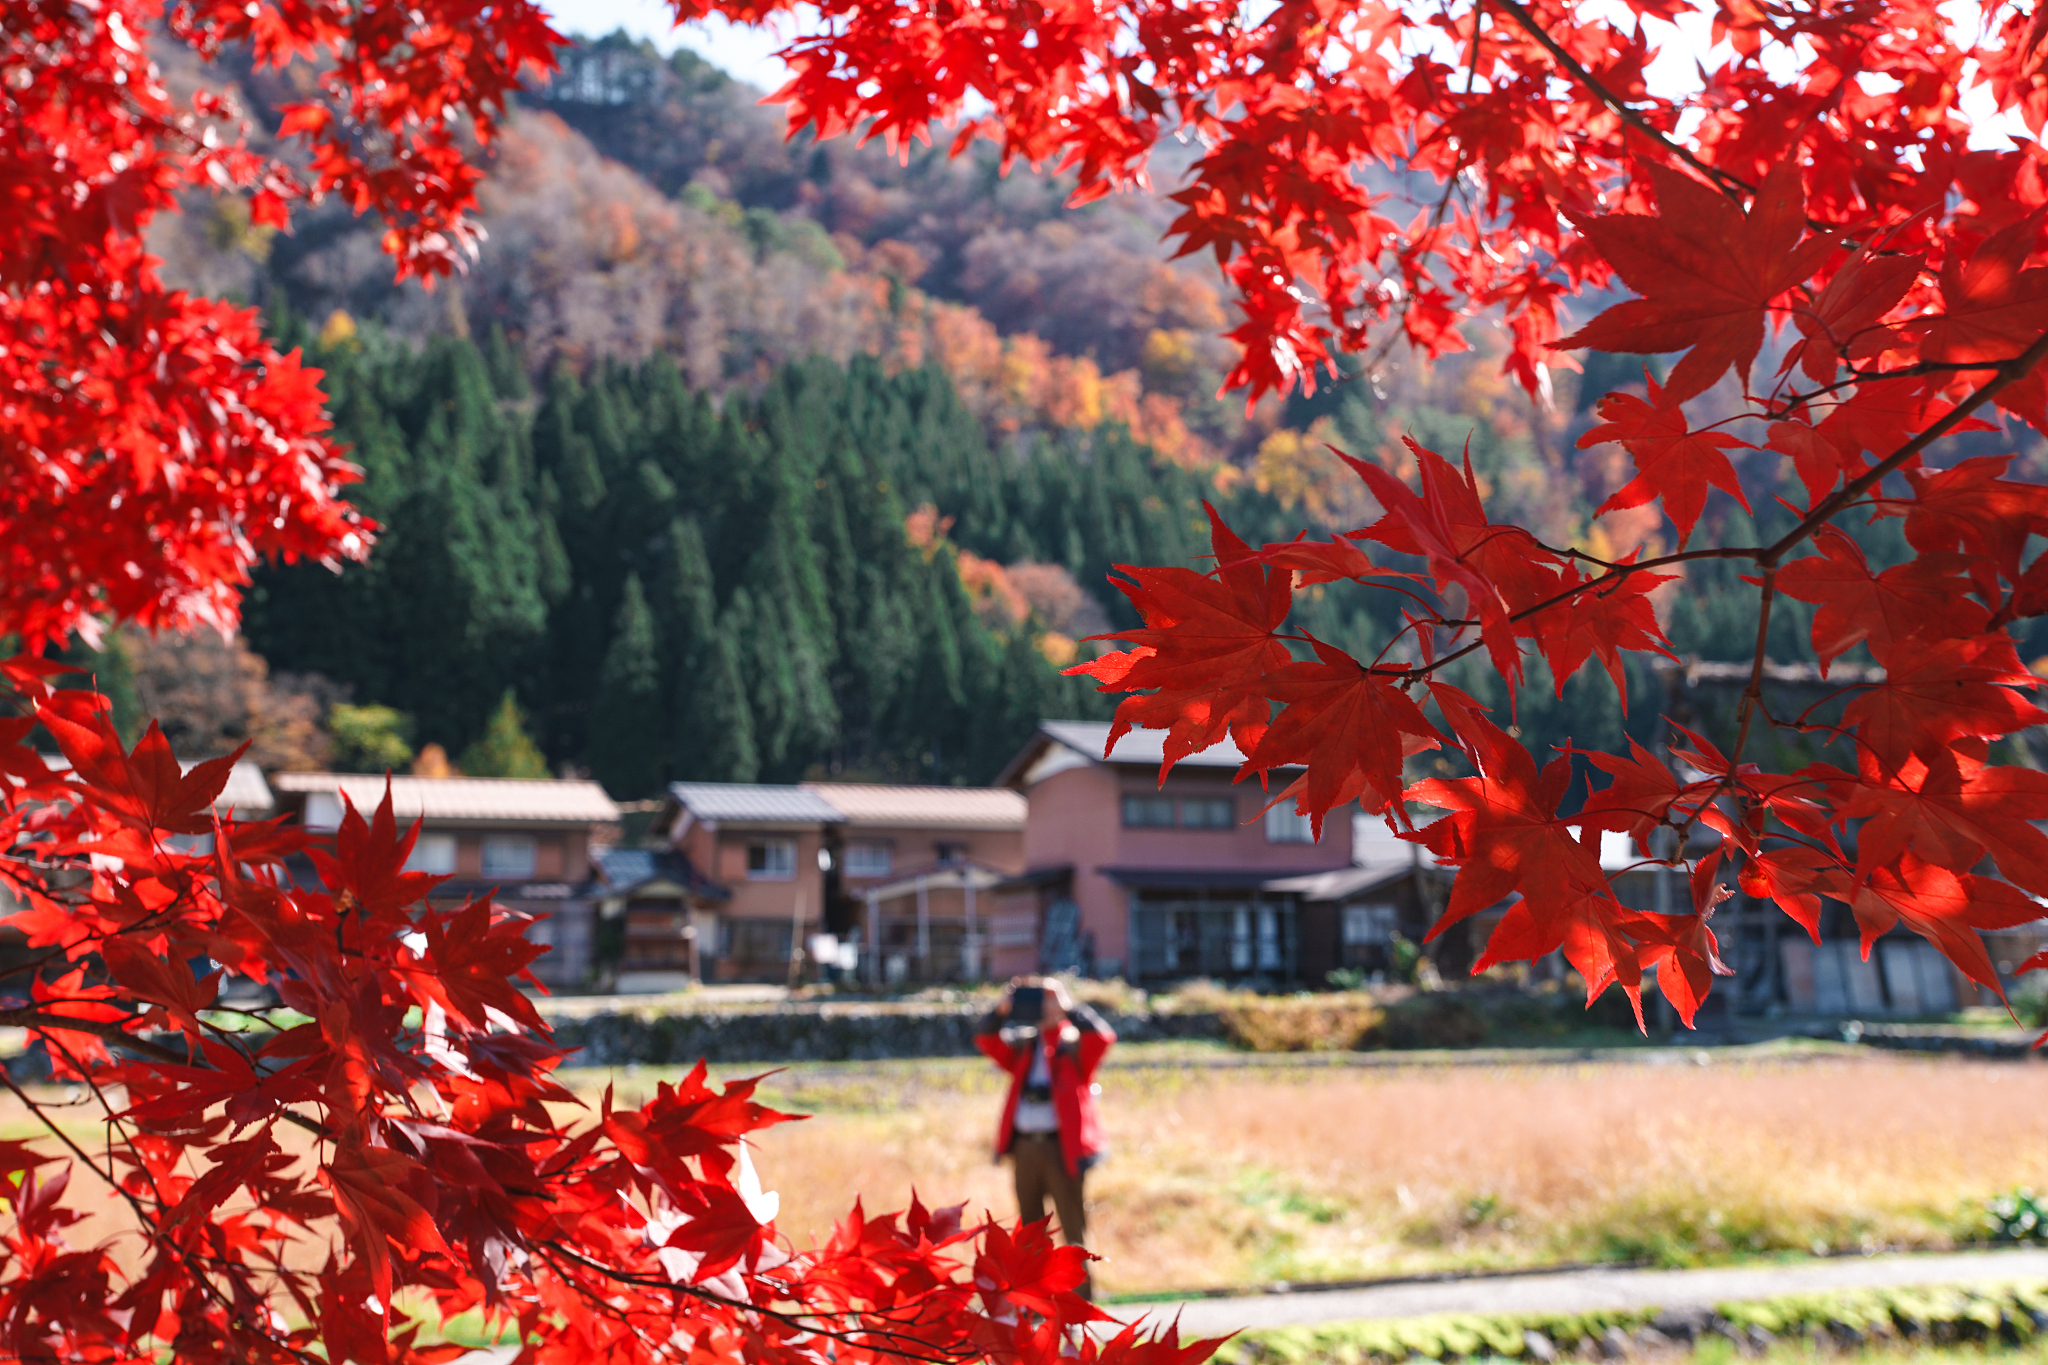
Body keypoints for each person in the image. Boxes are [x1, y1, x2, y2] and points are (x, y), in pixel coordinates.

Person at [972, 975, 1115, 1296]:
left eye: (1049, 998)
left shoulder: (1073, 1044)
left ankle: (1080, 1305)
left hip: (1062, 1149)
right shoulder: (1025, 1045)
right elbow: (986, 1040)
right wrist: (1003, 1009)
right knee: (1030, 1234)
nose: (1044, 1005)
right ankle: (1035, 1304)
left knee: (1073, 1232)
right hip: (1025, 1149)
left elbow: (1103, 1038)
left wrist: (1069, 1007)